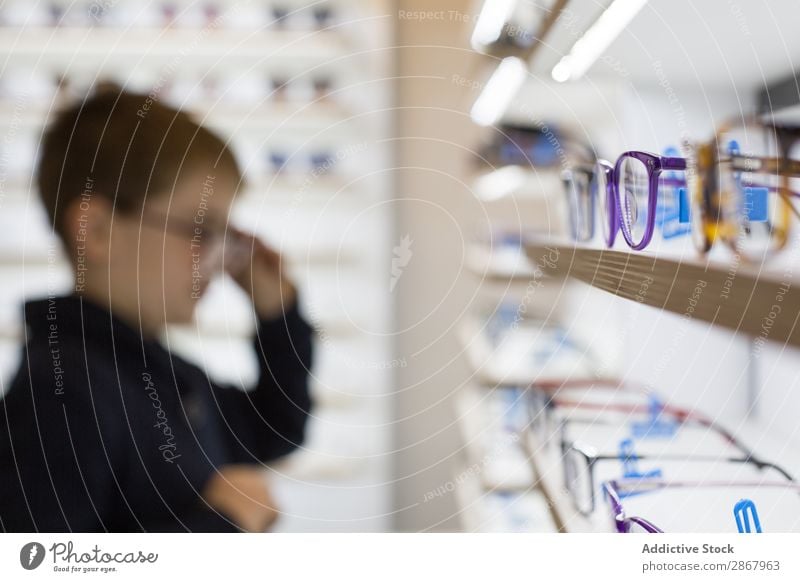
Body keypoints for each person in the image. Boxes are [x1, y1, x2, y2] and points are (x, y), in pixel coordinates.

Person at [0, 87, 313, 532]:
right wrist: (224, 524)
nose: (221, 260)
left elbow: (276, 428)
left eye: (227, 236)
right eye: (202, 230)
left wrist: (278, 313)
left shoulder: (158, 372)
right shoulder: (61, 389)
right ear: (99, 231)